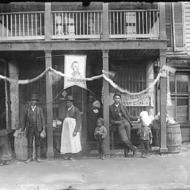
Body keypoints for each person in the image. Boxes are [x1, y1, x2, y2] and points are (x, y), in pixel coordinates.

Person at [109, 92, 137, 157]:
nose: (117, 99)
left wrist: (137, 118)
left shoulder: (123, 106)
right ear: (113, 99)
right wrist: (116, 122)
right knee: (124, 139)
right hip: (119, 124)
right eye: (116, 98)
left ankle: (126, 153)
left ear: (120, 99)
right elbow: (110, 119)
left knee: (128, 138)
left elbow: (128, 116)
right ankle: (134, 148)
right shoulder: (110, 107)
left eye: (118, 98)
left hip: (126, 123)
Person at [22, 93, 45, 163]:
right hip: (30, 128)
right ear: (30, 101)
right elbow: (24, 120)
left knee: (38, 143)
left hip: (38, 128)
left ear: (36, 102)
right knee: (29, 143)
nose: (33, 101)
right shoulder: (27, 109)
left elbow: (42, 119)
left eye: (35, 100)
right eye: (32, 100)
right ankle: (30, 157)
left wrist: (43, 129)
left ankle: (38, 157)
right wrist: (22, 129)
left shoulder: (39, 109)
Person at [60, 95, 82, 160]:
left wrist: (76, 130)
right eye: (67, 102)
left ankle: (72, 155)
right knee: (66, 140)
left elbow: (78, 120)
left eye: (69, 102)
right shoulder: (66, 109)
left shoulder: (76, 109)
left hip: (72, 127)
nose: (68, 103)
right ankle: (67, 154)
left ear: (72, 103)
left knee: (72, 141)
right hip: (66, 128)